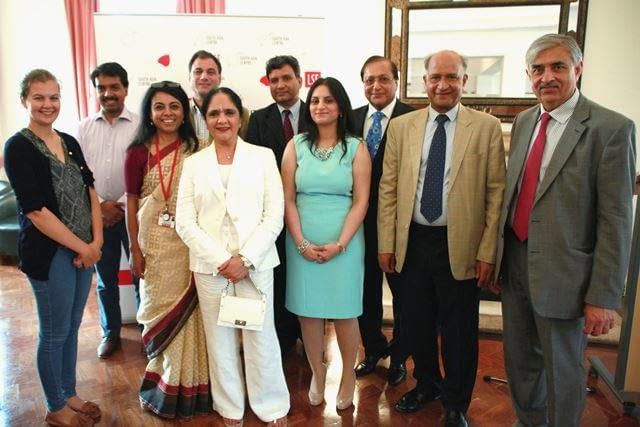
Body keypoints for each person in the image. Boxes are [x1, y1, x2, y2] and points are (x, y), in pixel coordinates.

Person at [494, 34, 636, 427]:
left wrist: (603, 297)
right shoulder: (525, 121)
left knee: (563, 370)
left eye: (558, 67)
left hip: (567, 275)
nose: (547, 77)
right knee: (521, 363)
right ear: (528, 75)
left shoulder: (611, 129)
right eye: (538, 70)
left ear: (578, 69)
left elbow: (616, 219)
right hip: (516, 262)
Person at [378, 50, 506, 426]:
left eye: (452, 77)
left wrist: (488, 252)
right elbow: (388, 189)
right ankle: (427, 384)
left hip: (461, 243)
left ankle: (456, 402)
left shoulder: (485, 127)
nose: (443, 85)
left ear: (465, 81)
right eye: (436, 77)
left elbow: (496, 193)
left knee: (459, 330)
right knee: (416, 322)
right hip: (413, 242)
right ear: (424, 82)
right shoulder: (402, 127)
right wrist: (386, 243)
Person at [176, 87, 289, 426]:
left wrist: (246, 259)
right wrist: (221, 261)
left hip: (256, 264)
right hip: (212, 269)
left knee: (261, 336)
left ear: (241, 117)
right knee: (220, 339)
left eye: (229, 112)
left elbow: (275, 215)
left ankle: (271, 405)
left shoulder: (263, 157)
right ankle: (229, 407)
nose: (222, 119)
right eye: (214, 113)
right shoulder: (194, 164)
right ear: (206, 119)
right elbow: (185, 222)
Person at [4, 69, 103, 426]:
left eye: (54, 97)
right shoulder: (18, 147)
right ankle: (55, 406)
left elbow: (90, 191)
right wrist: (83, 248)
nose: (47, 104)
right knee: (55, 330)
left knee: (72, 326)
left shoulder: (69, 141)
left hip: (84, 249)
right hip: (50, 255)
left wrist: (97, 241)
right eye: (39, 97)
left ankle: (69, 393)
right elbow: (36, 211)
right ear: (25, 101)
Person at [282, 77, 371, 410]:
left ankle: (348, 375)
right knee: (308, 312)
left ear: (341, 107)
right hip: (301, 241)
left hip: (344, 243)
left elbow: (361, 201)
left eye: (328, 100)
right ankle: (317, 372)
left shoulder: (356, 147)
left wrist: (341, 244)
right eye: (316, 100)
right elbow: (287, 199)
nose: (321, 106)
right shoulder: (296, 145)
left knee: (346, 312)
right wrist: (301, 243)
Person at [124, 81, 210, 418]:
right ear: (149, 112)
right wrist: (135, 250)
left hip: (191, 245)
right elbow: (132, 203)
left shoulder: (198, 148)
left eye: (174, 106)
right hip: (155, 248)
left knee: (193, 316)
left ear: (184, 112)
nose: (167, 113)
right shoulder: (137, 153)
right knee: (160, 312)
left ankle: (193, 386)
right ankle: (164, 384)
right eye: (159, 106)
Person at [351, 55, 413, 386]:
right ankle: (373, 349)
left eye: (383, 79)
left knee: (404, 295)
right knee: (366, 293)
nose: (376, 86)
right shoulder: (350, 118)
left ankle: (400, 356)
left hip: (399, 224)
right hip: (359, 224)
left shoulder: (413, 118)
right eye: (369, 80)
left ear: (396, 82)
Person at [77, 62, 140, 359]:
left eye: (114, 87)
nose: (108, 93)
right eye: (101, 88)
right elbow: (78, 172)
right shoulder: (84, 128)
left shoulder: (140, 126)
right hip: (98, 216)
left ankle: (147, 331)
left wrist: (122, 205)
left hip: (133, 214)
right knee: (105, 280)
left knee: (141, 275)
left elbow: (146, 171)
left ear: (125, 89)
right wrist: (101, 204)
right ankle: (110, 332)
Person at [245, 55, 307, 355]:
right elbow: (251, 168)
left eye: (286, 78)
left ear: (299, 80)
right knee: (279, 276)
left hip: (309, 213)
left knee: (307, 277)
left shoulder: (316, 113)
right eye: (274, 80)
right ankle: (283, 337)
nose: (280, 85)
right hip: (271, 215)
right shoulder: (258, 119)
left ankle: (310, 336)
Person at [187, 50, 251, 142]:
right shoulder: (180, 113)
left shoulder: (242, 113)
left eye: (210, 72)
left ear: (219, 78)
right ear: (189, 77)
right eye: (198, 71)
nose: (204, 77)